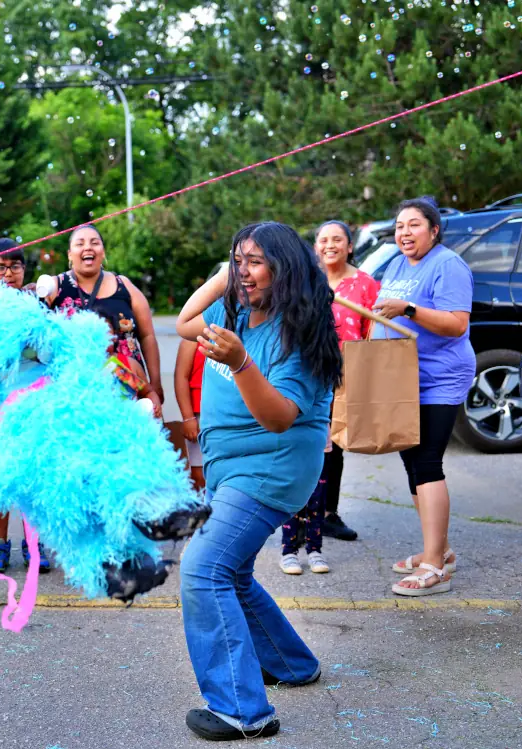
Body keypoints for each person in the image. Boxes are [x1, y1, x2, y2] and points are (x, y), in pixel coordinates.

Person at [175, 222, 342, 741]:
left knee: (203, 570)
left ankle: (242, 712)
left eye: (254, 262)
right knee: (235, 573)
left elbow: (279, 417)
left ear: (285, 270)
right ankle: (292, 664)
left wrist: (241, 362)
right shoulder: (238, 309)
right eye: (236, 259)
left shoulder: (300, 331)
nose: (242, 271)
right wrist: (229, 275)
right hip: (233, 466)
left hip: (270, 468)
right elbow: (183, 323)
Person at [372, 197, 474, 597]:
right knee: (412, 459)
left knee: (428, 460)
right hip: (402, 378)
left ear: (434, 230)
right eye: (399, 226)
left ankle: (434, 566)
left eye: (414, 225)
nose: (404, 233)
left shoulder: (449, 265)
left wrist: (411, 308)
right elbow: (383, 314)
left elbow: (455, 324)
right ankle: (441, 548)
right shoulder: (397, 265)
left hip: (440, 377)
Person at [0, 238, 51, 575]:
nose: (8, 273)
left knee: (33, 474)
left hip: (29, 402)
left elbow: (48, 351)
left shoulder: (36, 303)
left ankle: (34, 543)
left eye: (15, 266)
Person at [46, 224, 164, 416]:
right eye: (80, 243)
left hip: (129, 384)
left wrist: (155, 384)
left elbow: (148, 335)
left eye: (95, 243)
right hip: (77, 392)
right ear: (69, 254)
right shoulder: (54, 287)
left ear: (103, 251)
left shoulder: (123, 285)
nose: (88, 248)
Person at [316, 220, 380, 543]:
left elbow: (375, 331)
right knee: (308, 441)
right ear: (316, 247)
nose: (330, 245)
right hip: (308, 373)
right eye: (324, 239)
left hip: (346, 376)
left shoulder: (366, 285)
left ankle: (328, 513)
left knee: (335, 445)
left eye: (337, 239)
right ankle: (301, 514)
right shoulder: (307, 282)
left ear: (350, 246)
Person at [173, 339, 206, 491]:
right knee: (199, 476)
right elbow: (181, 377)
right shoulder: (192, 338)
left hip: (228, 416)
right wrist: (188, 417)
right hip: (198, 416)